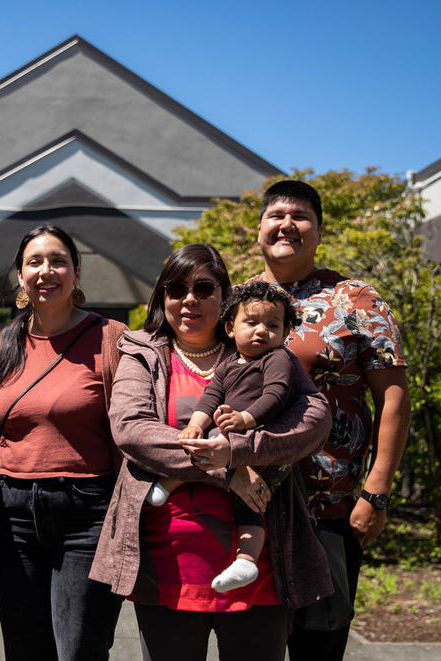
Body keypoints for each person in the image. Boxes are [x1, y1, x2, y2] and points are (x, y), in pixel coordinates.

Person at [89, 243, 334, 661]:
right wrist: (227, 471)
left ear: (224, 299)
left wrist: (237, 450)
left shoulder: (261, 350)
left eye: (204, 288)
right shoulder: (143, 351)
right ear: (161, 297)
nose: (189, 299)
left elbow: (315, 421)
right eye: (176, 289)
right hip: (170, 561)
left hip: (256, 563)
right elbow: (131, 431)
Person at [249, 180, 411, 661]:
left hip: (328, 509)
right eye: (276, 214)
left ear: (319, 231)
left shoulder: (357, 300)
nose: (286, 224)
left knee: (318, 644)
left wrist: (376, 491)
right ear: (258, 228)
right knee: (248, 646)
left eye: (300, 216)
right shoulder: (234, 300)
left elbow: (395, 399)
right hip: (244, 504)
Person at [0, 225, 126, 661]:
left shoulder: (112, 338)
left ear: (77, 273)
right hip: (13, 515)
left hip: (88, 513)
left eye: (58, 261)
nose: (47, 271)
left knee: (79, 649)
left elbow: (131, 430)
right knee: (25, 650)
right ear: (20, 276)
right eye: (35, 262)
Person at [145, 280, 303, 594]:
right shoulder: (230, 363)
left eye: (273, 325)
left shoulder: (278, 359)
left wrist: (245, 419)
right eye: (252, 322)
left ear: (285, 334)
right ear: (230, 327)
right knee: (210, 446)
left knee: (252, 502)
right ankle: (173, 480)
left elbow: (276, 394)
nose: (262, 331)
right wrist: (197, 425)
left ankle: (246, 559)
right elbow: (210, 397)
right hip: (229, 437)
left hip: (263, 443)